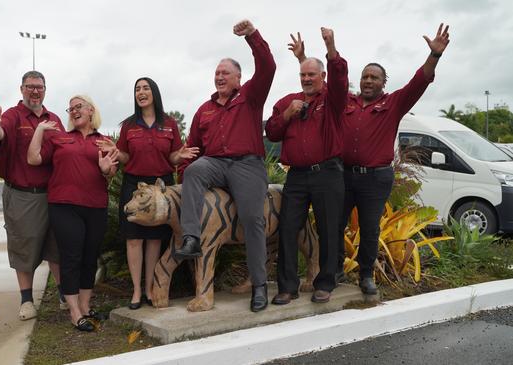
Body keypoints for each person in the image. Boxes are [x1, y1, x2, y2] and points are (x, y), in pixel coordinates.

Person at [336, 24, 450, 294]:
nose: (368, 81)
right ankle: (335, 270)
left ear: (383, 83)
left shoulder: (394, 103)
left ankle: (366, 275)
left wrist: (434, 56)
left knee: (370, 228)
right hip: (344, 174)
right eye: (365, 77)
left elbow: (419, 82)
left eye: (374, 77)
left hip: (376, 177)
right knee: (335, 224)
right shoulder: (346, 104)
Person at [174, 19, 276, 312]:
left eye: (225, 73)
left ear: (238, 79)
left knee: (252, 218)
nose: (219, 76)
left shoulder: (251, 97)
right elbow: (192, 149)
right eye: (217, 72)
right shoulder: (203, 110)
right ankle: (191, 237)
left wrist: (252, 36)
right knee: (195, 169)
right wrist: (183, 173)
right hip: (215, 163)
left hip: (247, 164)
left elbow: (268, 66)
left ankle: (259, 285)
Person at [97, 77, 198, 310]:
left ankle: (151, 289)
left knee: (154, 240)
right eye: (137, 89)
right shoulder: (129, 126)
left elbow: (171, 158)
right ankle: (136, 291)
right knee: (134, 239)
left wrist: (179, 155)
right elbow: (125, 157)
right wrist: (115, 151)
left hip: (160, 187)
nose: (141, 92)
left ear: (154, 93)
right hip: (134, 186)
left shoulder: (169, 123)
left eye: (145, 88)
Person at [265, 27, 348, 304]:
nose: (307, 79)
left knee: (328, 228)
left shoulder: (333, 100)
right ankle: (287, 287)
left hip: (327, 173)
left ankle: (324, 282)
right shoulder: (288, 102)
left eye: (312, 74)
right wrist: (287, 115)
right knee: (288, 228)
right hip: (297, 176)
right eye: (303, 75)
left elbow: (339, 79)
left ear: (322, 77)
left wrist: (331, 46)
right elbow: (273, 133)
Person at [27, 95, 118, 331]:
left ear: (91, 110)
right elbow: (33, 158)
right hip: (64, 206)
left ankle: (86, 307)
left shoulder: (104, 141)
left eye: (79, 107)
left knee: (90, 257)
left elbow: (111, 173)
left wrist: (107, 170)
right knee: (72, 256)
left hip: (96, 206)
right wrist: (39, 130)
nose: (74, 111)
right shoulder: (60, 138)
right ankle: (74, 311)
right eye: (71, 108)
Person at [0, 71, 64, 320]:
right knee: (24, 246)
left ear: (45, 89)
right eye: (30, 86)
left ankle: (64, 294)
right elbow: (1, 136)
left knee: (57, 247)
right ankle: (27, 300)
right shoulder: (12, 116)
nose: (34, 91)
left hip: (52, 193)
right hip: (22, 195)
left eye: (39, 87)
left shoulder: (54, 119)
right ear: (21, 89)